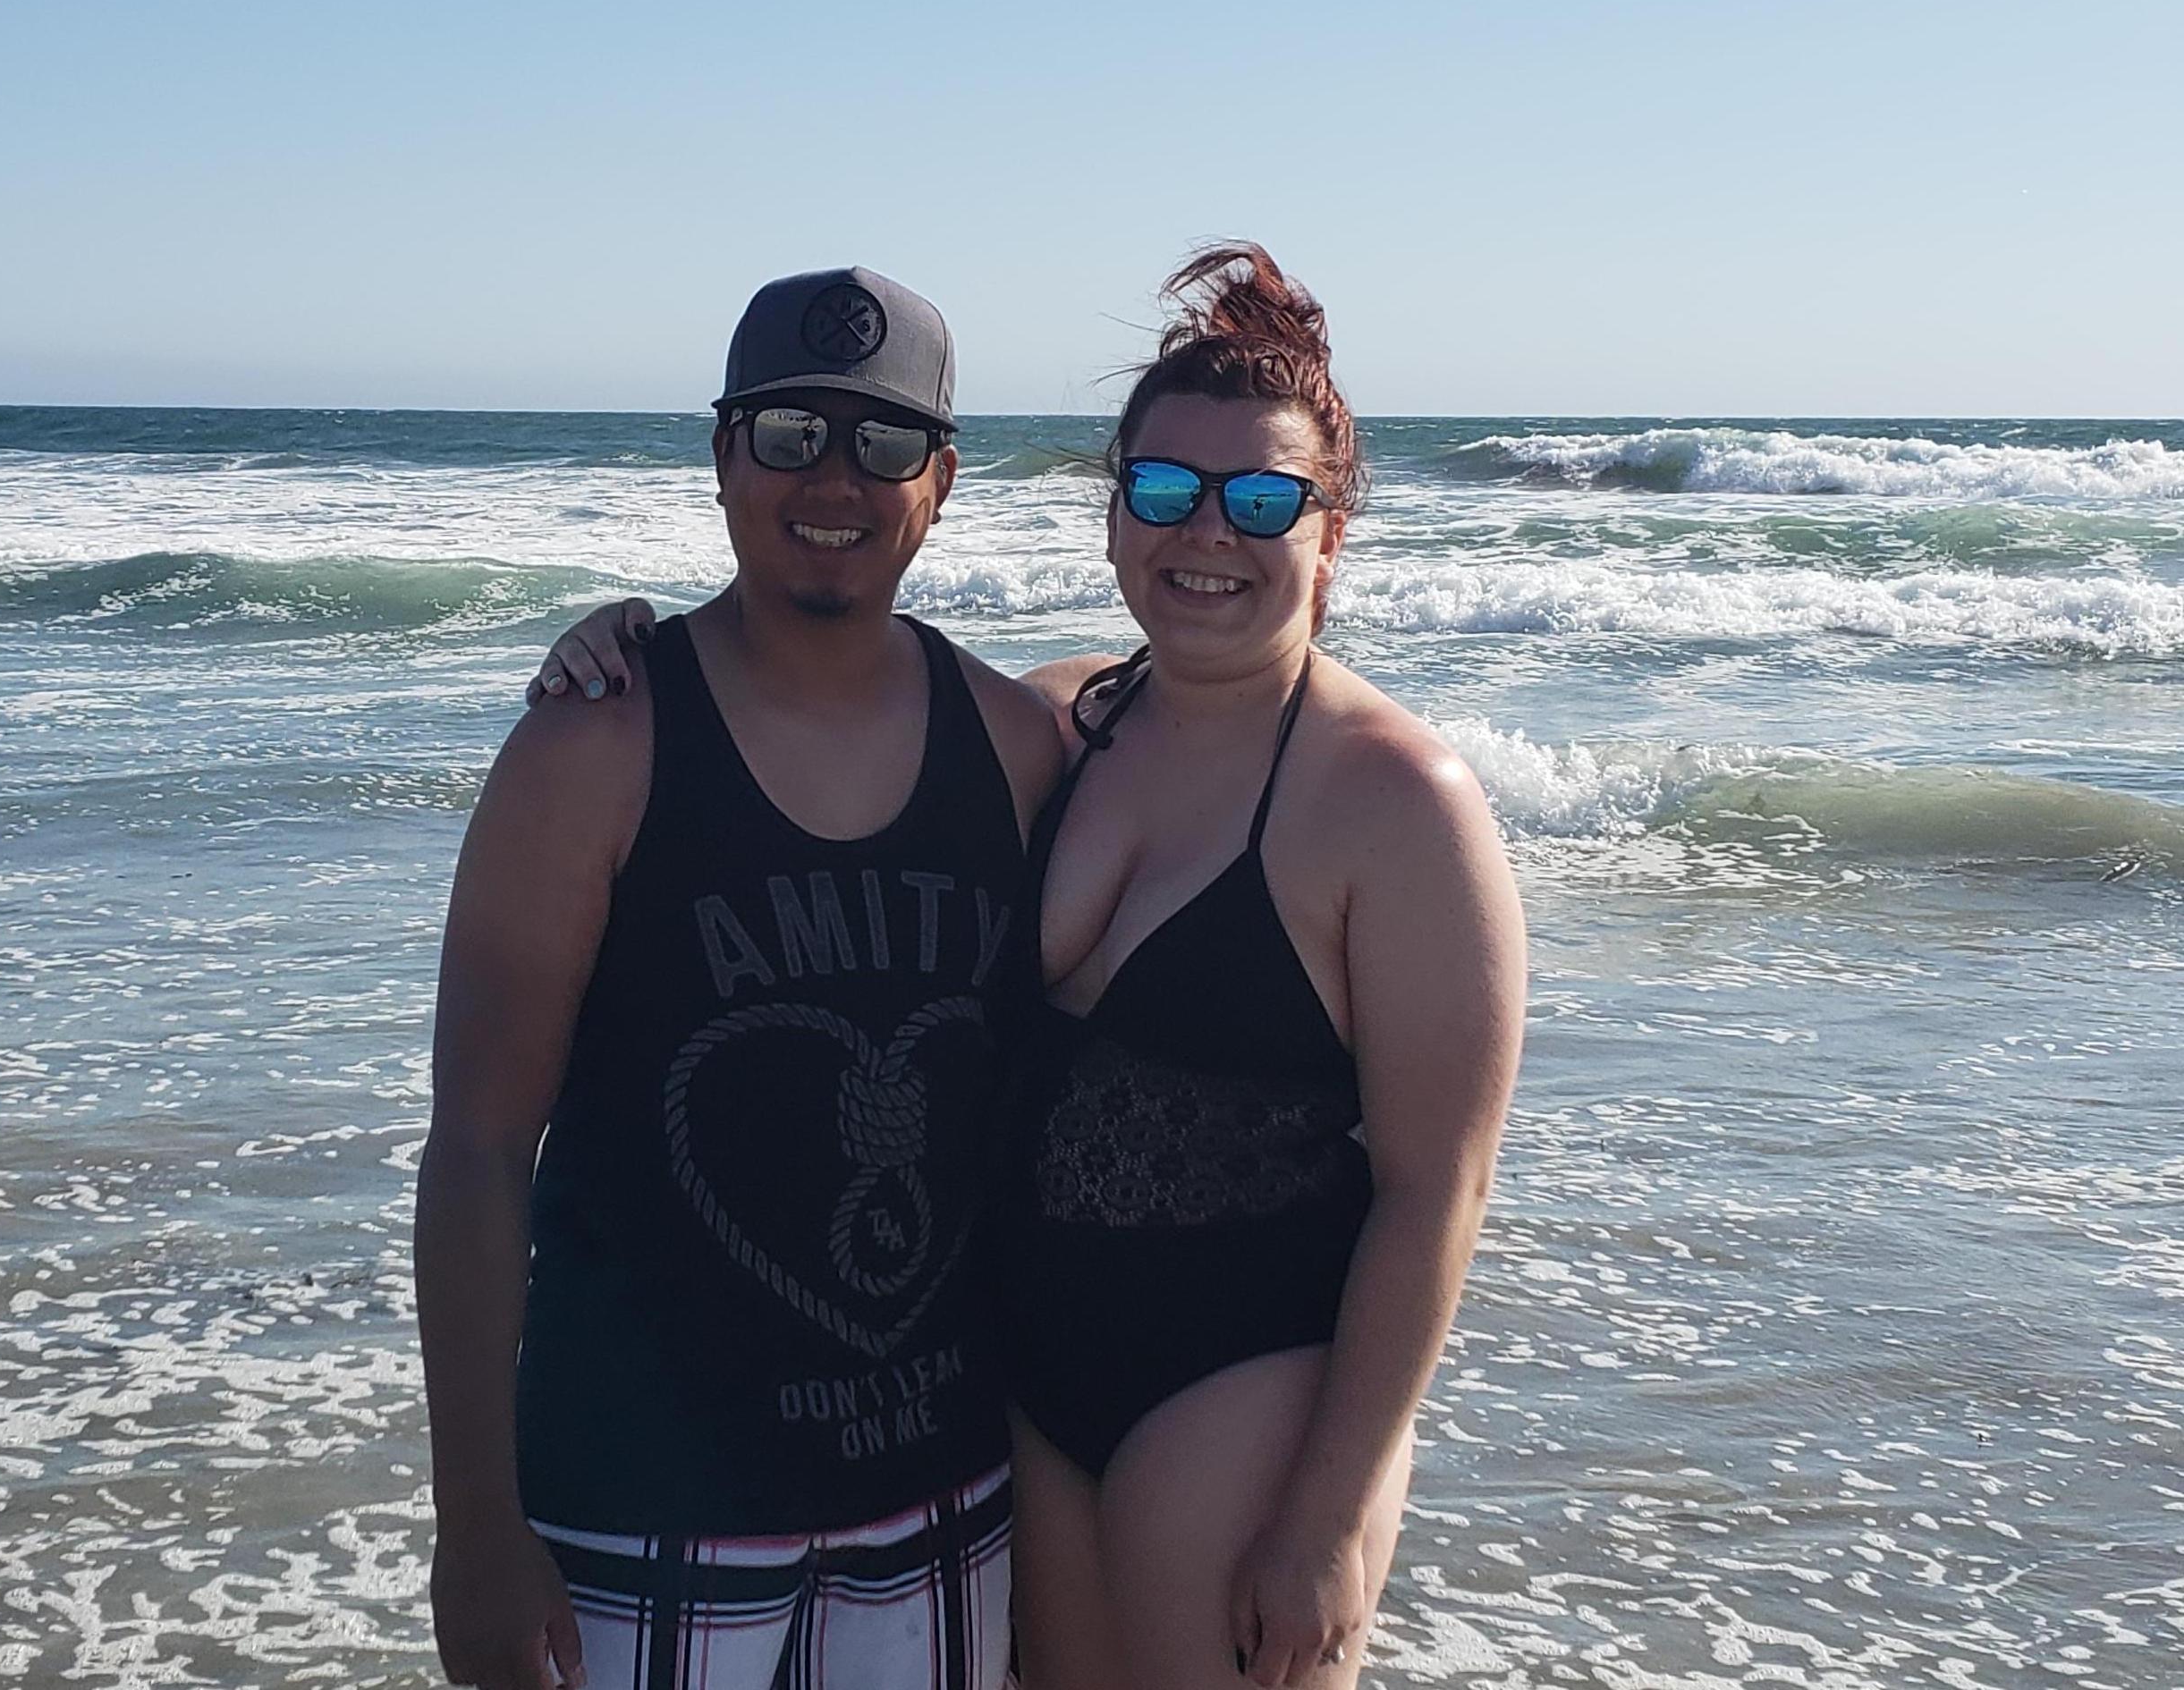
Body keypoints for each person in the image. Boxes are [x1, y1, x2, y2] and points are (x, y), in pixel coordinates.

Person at [533, 246, 1526, 1690]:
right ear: (1118, 505)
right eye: (1165, 488)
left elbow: (1442, 1188)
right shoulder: (1061, 724)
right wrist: (628, 641)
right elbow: (836, 696)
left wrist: (1325, 1518)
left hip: (1239, 1372)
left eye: (1260, 498)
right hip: (1016, 1378)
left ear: (1332, 530)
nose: (1208, 532)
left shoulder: (1396, 800)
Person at [417, 265, 1062, 1690]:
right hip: (643, 1518)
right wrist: (476, 1530)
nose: (834, 477)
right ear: (721, 460)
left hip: (946, 1511)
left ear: (942, 483)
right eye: (789, 433)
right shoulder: (593, 751)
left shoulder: (1020, 754)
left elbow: (1206, 709)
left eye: (885, 443)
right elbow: (474, 1149)